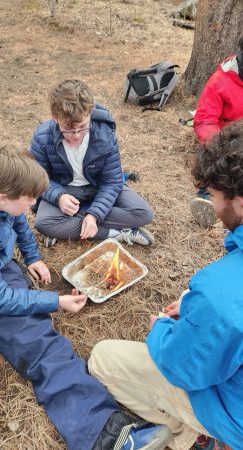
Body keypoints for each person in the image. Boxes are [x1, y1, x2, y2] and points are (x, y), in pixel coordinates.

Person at [0, 143, 170, 450]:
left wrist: (33, 257)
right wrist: (55, 301)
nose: (35, 203)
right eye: (30, 198)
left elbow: (18, 219)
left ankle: (106, 434)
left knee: (40, 342)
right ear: (3, 198)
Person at [89, 120, 243, 450]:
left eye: (214, 196)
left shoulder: (222, 291)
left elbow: (181, 366)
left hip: (235, 417)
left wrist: (159, 329)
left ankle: (190, 434)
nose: (214, 208)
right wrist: (194, 306)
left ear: (240, 201)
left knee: (102, 358)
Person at [30, 79, 155, 248]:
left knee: (144, 213)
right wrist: (59, 197)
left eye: (82, 127)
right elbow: (39, 179)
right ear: (55, 118)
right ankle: (116, 233)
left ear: (90, 112)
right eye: (68, 128)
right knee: (44, 223)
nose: (76, 135)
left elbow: (112, 181)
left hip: (98, 187)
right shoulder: (42, 137)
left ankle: (66, 226)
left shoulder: (105, 134)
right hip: (65, 190)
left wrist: (94, 215)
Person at [191, 36, 243, 227]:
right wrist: (220, 145)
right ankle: (210, 197)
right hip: (226, 142)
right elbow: (204, 120)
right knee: (224, 169)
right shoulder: (221, 80)